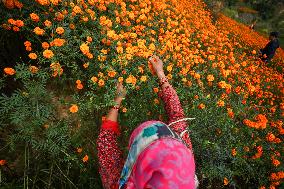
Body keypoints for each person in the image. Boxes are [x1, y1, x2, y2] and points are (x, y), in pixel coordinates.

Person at [97, 55, 198, 189]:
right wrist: (160, 73)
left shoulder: (118, 184)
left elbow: (106, 141)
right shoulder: (181, 160)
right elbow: (177, 115)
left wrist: (118, 100)